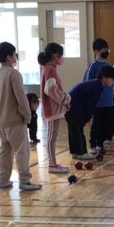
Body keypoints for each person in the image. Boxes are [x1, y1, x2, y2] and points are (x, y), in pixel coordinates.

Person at [0, 41, 41, 191]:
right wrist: (27, 115)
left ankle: (3, 179)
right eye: (14, 54)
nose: (15, 57)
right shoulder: (13, 74)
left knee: (4, 151)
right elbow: (21, 98)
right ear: (8, 56)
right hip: (14, 121)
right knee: (21, 150)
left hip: (0, 121)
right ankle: (24, 180)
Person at [66, 66, 114, 158]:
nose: (113, 82)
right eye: (112, 79)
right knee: (78, 129)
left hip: (72, 105)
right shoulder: (97, 86)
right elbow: (91, 104)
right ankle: (82, 153)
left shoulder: (96, 84)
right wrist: (87, 117)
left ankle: (75, 153)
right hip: (75, 106)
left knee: (74, 130)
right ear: (104, 78)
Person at [39, 42, 70, 173]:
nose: (63, 58)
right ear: (56, 56)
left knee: (53, 136)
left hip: (54, 108)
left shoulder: (50, 68)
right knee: (51, 137)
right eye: (61, 55)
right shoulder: (49, 68)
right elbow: (51, 89)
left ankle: (53, 163)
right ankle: (52, 165)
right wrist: (65, 99)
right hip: (51, 109)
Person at [85, 38, 114, 157]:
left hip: (109, 101)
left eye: (107, 50)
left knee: (106, 124)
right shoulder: (93, 65)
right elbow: (88, 82)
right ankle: (93, 145)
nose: (106, 53)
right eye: (104, 51)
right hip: (98, 102)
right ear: (96, 51)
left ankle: (100, 144)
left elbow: (112, 83)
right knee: (96, 124)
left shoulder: (108, 65)